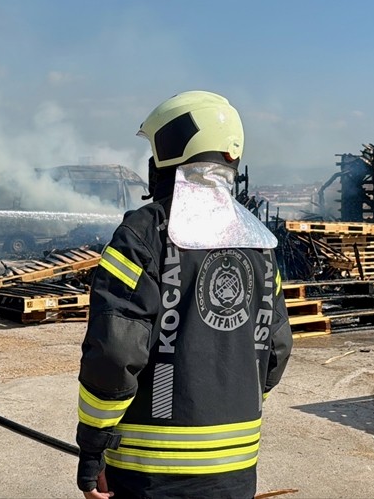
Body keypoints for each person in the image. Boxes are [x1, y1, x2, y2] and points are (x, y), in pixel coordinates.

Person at [75, 91, 293, 499]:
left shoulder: (143, 234)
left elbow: (115, 354)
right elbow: (276, 348)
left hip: (150, 474)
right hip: (237, 470)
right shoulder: (258, 241)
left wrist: (92, 448)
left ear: (170, 149)